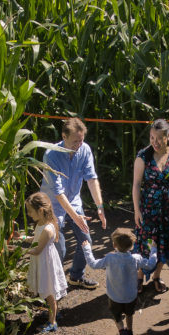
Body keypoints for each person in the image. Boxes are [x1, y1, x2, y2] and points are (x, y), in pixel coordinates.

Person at [41, 117, 108, 287]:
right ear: (64, 136)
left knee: (86, 241)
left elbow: (92, 179)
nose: (78, 145)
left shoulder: (85, 150)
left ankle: (76, 276)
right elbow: (58, 193)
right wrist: (76, 218)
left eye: (81, 140)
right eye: (74, 141)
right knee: (59, 249)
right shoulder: (51, 155)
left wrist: (100, 206)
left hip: (74, 202)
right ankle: (51, 287)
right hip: (53, 206)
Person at [132, 118, 169, 294]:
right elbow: (136, 184)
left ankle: (156, 276)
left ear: (168, 136)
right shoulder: (143, 156)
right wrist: (136, 210)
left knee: (166, 243)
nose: (154, 142)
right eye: (151, 138)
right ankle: (139, 276)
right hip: (149, 209)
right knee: (147, 243)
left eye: (158, 138)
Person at [80, 229, 158, 335]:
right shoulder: (136, 258)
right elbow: (151, 264)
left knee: (117, 316)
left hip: (114, 296)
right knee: (129, 314)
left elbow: (93, 264)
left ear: (114, 245)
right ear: (132, 246)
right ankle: (130, 333)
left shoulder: (110, 258)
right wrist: (154, 249)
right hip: (130, 296)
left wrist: (87, 249)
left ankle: (122, 333)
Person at [24, 192, 66, 333]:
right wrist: (22, 238)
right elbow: (35, 238)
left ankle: (52, 322)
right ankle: (53, 312)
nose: (29, 214)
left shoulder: (48, 229)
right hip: (43, 260)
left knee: (49, 292)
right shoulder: (41, 224)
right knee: (49, 290)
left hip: (45, 261)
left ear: (40, 210)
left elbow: (37, 250)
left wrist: (18, 251)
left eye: (30, 211)